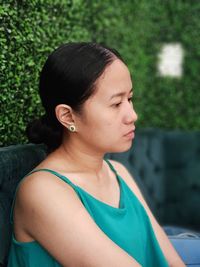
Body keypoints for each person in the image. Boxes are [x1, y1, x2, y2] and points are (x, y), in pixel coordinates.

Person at [8, 42, 185, 267]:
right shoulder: (42, 190)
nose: (132, 115)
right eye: (116, 103)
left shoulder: (118, 172)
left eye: (129, 99)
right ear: (68, 117)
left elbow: (171, 260)